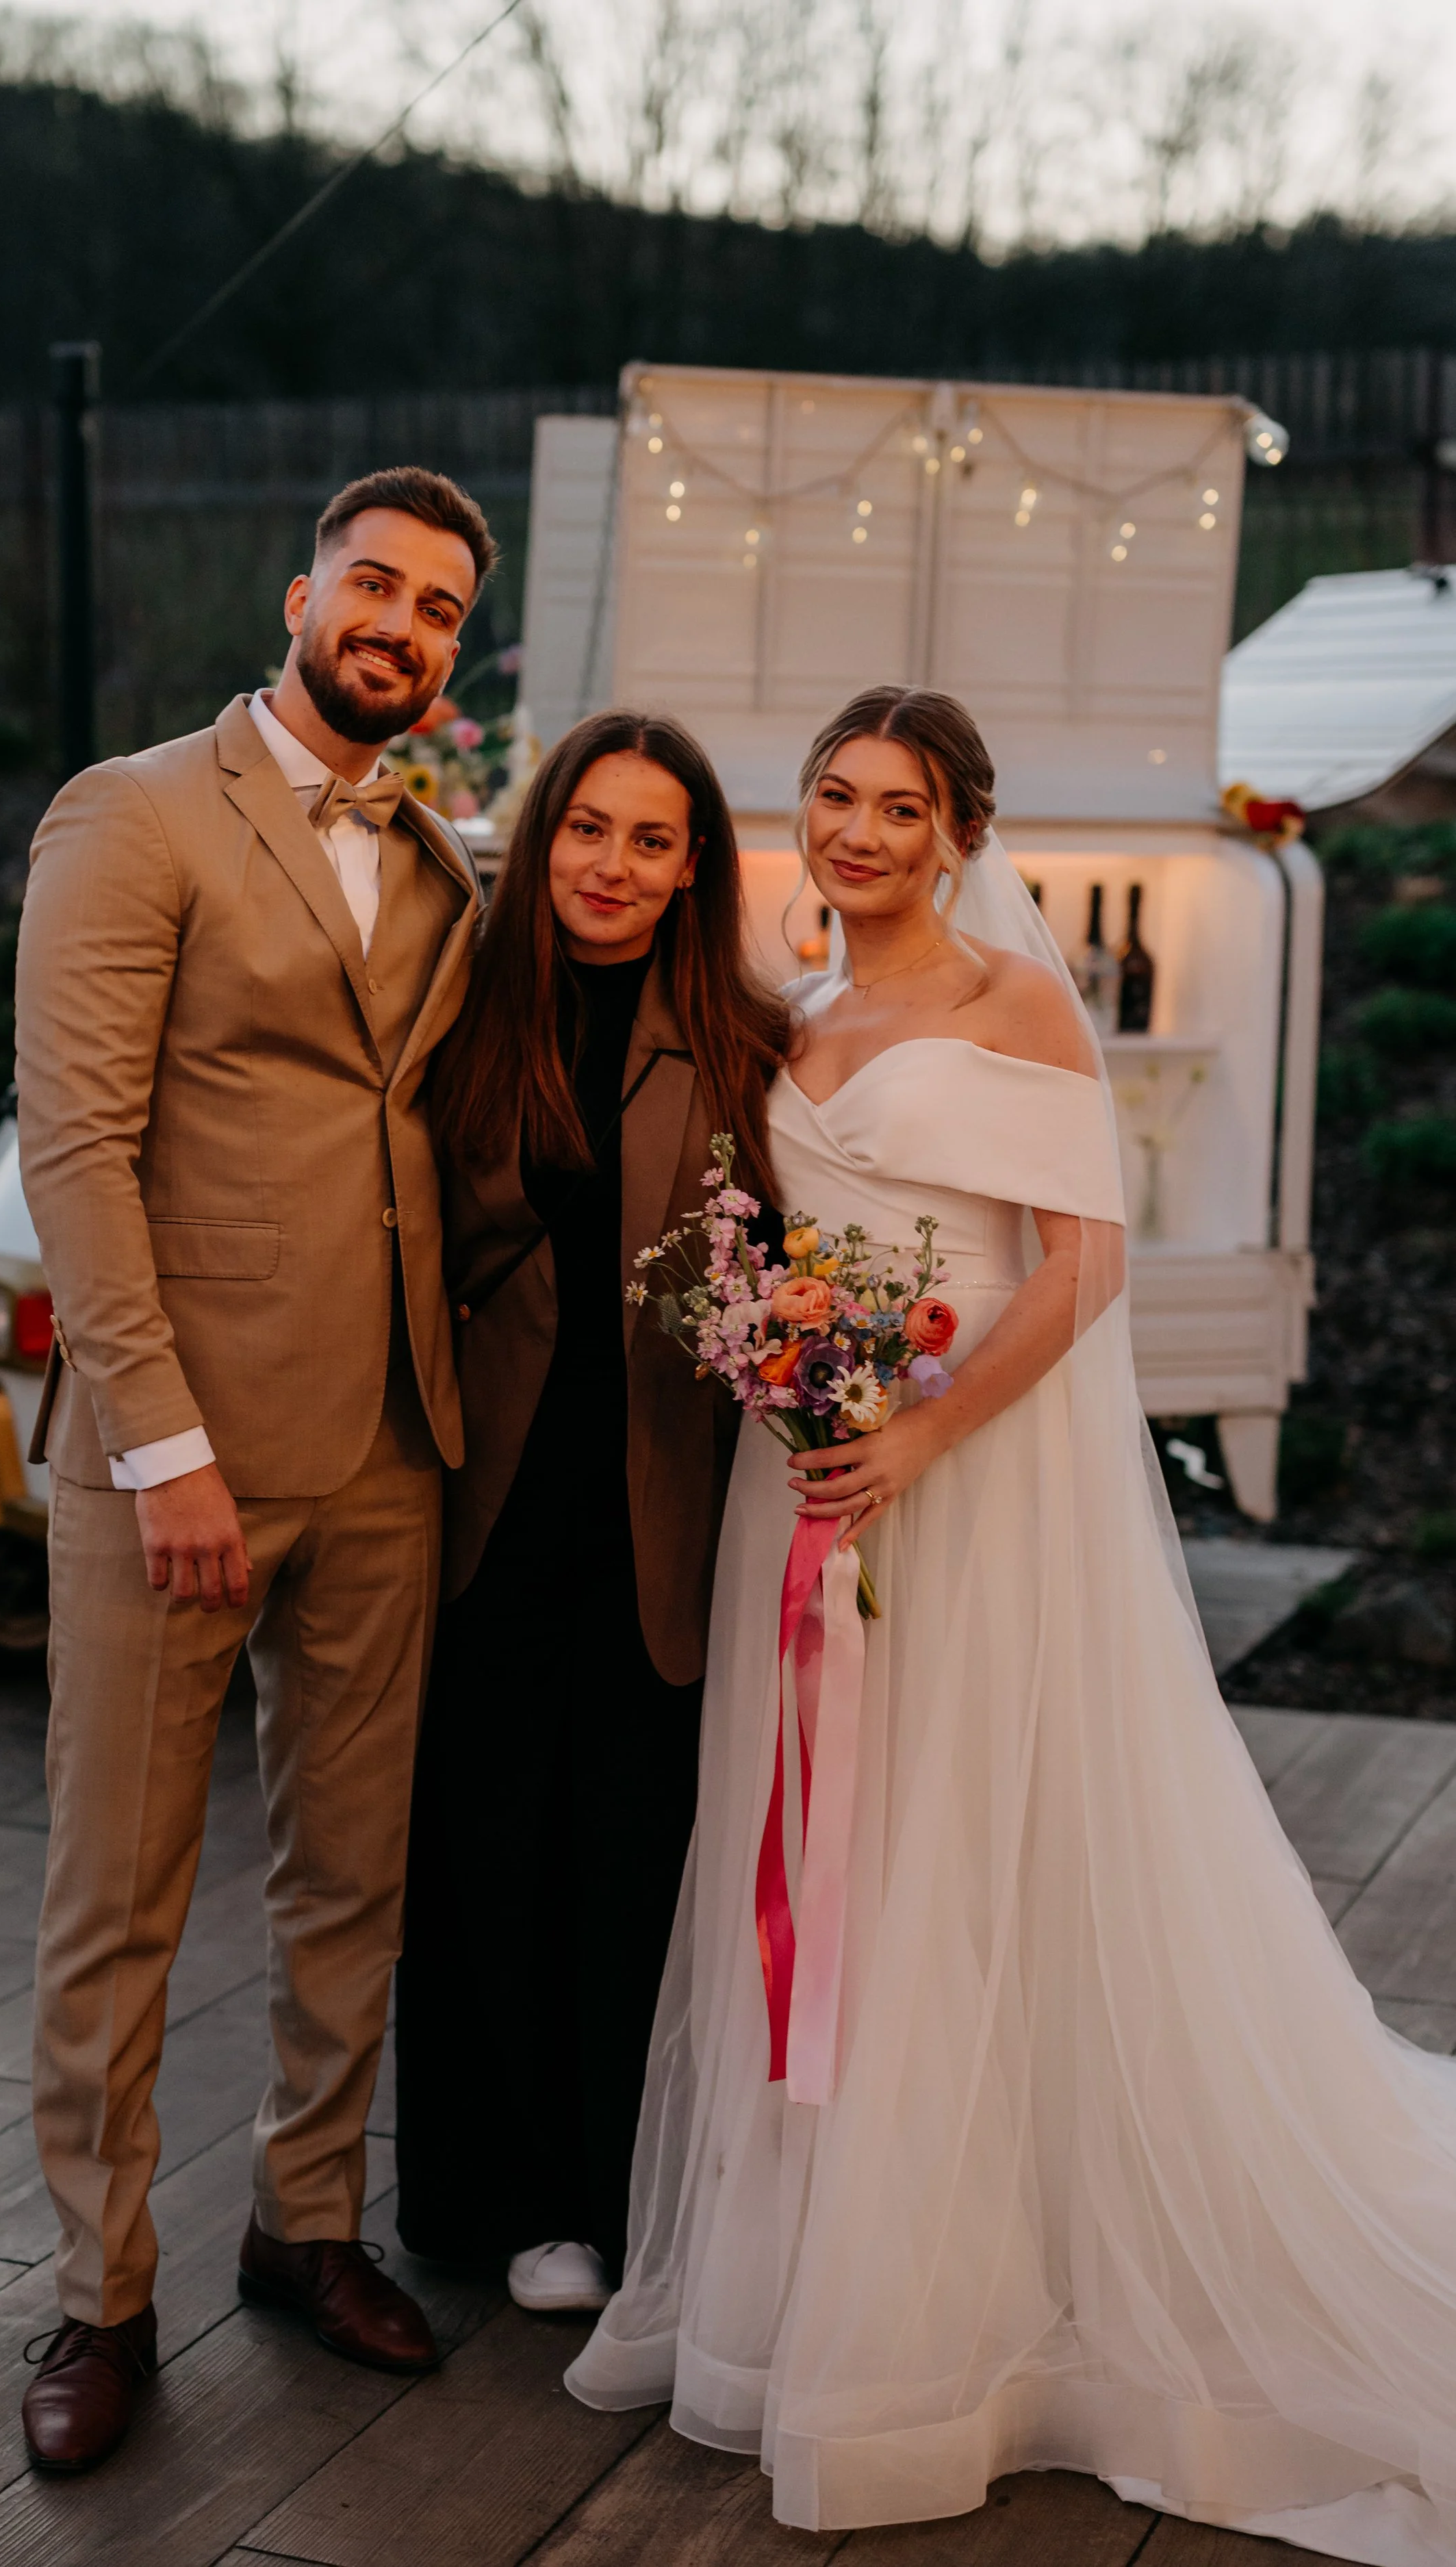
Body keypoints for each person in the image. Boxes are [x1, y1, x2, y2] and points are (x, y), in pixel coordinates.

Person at [568, 685, 1456, 2562]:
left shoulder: (1011, 1000)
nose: (858, 828)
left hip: (956, 1475)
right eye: (831, 794)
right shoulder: (789, 1011)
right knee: (820, 1848)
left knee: (959, 1844)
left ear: (960, 830)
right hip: (802, 1484)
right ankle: (819, 2252)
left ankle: (964, 2295)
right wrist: (794, 1387)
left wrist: (916, 1434)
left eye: (900, 802)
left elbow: (1081, 1269)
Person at [12, 466, 496, 2474]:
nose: (399, 623)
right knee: (118, 1892)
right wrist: (165, 1445)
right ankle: (98, 2288)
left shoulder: (446, 858)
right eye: (372, 584)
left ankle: (306, 2221)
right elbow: (76, 1153)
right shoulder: (131, 813)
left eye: (440, 607)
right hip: (179, 1461)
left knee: (350, 1875)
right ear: (300, 592)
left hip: (395, 1440)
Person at [394, 710, 788, 2315]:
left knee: (628, 1855)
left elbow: (773, 1275)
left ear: (691, 864)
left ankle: (610, 2194)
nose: (608, 868)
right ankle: (489, 2194)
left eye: (647, 839)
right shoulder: (455, 1009)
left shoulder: (747, 1039)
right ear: (537, 832)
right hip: (476, 1496)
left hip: (660, 1506)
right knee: (478, 1849)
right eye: (584, 830)